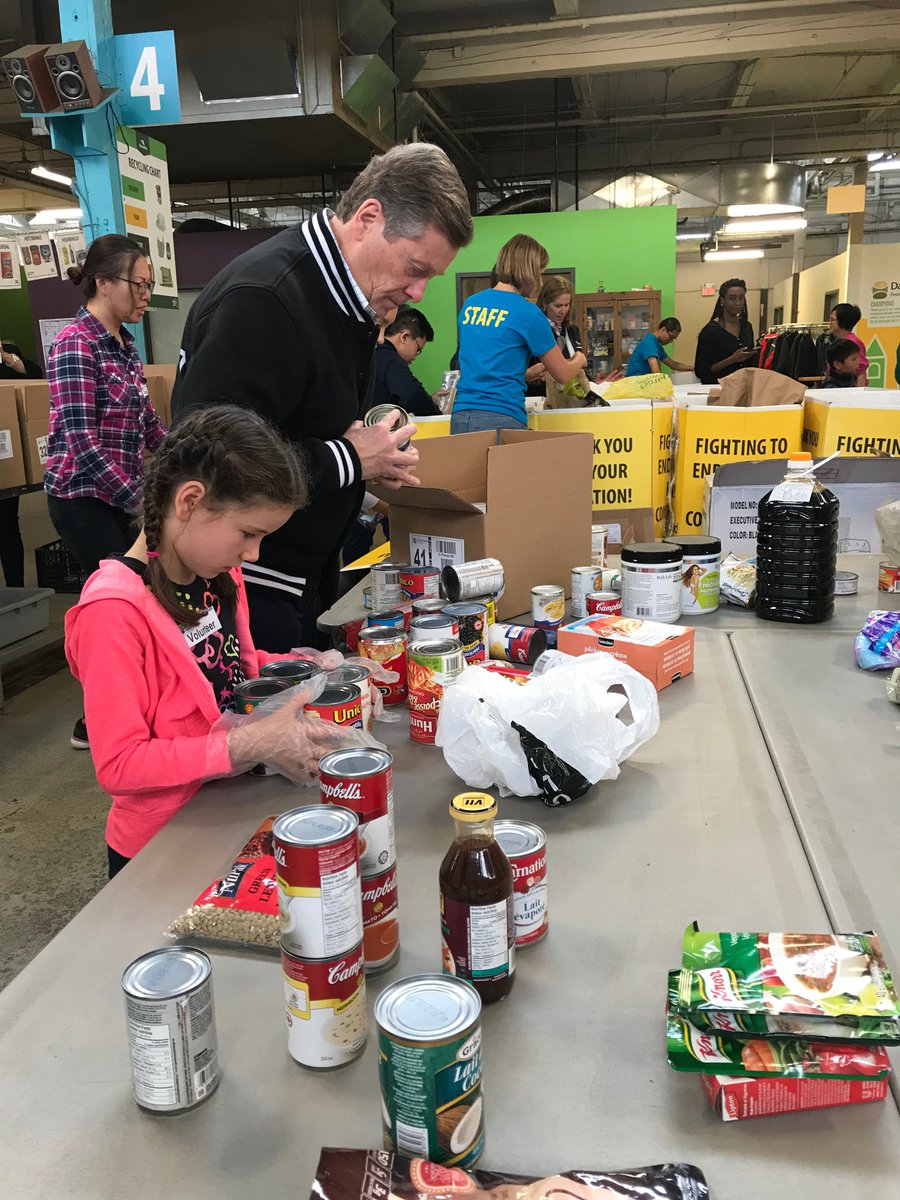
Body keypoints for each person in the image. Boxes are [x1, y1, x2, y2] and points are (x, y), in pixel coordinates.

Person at [171, 142, 473, 652]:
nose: (418, 292)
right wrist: (351, 458)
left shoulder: (339, 300)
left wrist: (364, 476)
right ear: (369, 217)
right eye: (416, 268)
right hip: (251, 587)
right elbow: (214, 464)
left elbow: (295, 424)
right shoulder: (268, 300)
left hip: (299, 575)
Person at [65, 407, 361, 878]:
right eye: (248, 533)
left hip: (228, 807)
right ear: (190, 501)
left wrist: (313, 670)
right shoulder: (113, 612)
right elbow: (119, 764)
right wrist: (247, 743)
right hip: (161, 846)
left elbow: (232, 671)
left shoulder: (218, 574)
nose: (253, 553)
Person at [44, 234, 166, 750]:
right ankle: (95, 722)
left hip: (119, 494)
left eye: (148, 286)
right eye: (138, 285)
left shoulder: (124, 342)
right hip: (82, 498)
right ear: (103, 282)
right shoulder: (75, 343)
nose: (144, 296)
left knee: (144, 597)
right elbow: (81, 441)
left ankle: (136, 701)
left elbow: (146, 423)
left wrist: (191, 455)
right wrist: (143, 503)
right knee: (115, 607)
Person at [451, 235, 587, 435]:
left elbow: (480, 365)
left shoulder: (470, 305)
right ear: (529, 271)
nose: (540, 282)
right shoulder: (528, 313)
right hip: (502, 414)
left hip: (461, 414)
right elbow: (563, 374)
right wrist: (579, 359)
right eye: (540, 273)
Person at [0, 338, 43, 587]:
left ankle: (15, 588)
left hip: (7, 456)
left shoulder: (11, 353)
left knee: (7, 526)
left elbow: (34, 379)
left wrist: (8, 358)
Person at [373, 307, 441, 416]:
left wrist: (431, 399)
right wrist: (438, 414)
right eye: (418, 349)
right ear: (404, 337)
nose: (415, 356)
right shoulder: (392, 360)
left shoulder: (373, 352)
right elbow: (413, 396)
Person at [693, 279, 757, 384]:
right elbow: (701, 371)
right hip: (718, 389)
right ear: (722, 300)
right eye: (732, 298)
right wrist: (732, 359)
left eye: (741, 298)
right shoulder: (710, 331)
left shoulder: (746, 327)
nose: (737, 303)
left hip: (744, 388)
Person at [626, 318, 693, 377]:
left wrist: (694, 368)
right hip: (635, 382)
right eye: (671, 337)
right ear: (663, 329)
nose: (671, 341)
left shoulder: (656, 344)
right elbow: (656, 372)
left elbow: (672, 364)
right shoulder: (650, 341)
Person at [828, 303, 868, 386]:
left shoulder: (853, 342)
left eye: (833, 320)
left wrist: (858, 394)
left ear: (843, 321)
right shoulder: (836, 340)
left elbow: (861, 372)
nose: (829, 323)